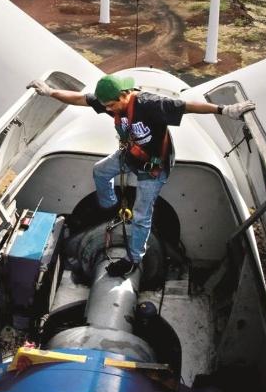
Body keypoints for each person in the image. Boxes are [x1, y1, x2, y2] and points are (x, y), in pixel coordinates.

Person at [27, 74, 254, 277]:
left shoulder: (150, 105)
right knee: (100, 170)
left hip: (153, 169)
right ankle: (110, 205)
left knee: (141, 215)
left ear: (125, 95)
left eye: (112, 105)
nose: (108, 110)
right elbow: (78, 98)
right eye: (104, 106)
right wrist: (49, 92)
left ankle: (134, 259)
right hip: (130, 155)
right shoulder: (109, 101)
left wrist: (224, 110)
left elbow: (187, 106)